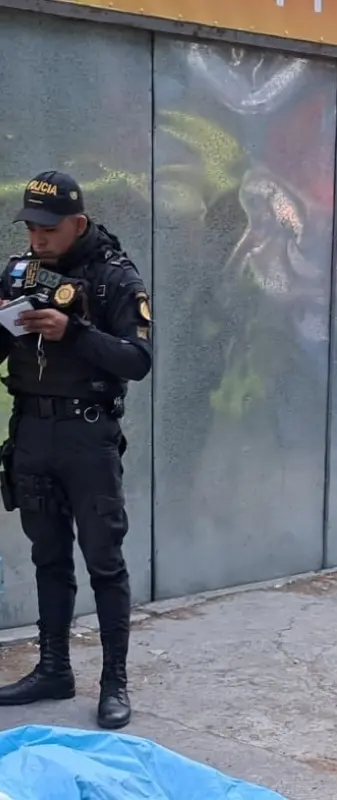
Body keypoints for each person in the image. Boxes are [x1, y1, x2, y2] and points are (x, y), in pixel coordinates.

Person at [0, 171, 153, 730]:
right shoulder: (22, 273)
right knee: (48, 556)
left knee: (103, 560)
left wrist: (74, 332)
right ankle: (52, 668)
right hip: (33, 433)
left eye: (47, 228)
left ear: (77, 223)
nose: (37, 239)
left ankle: (114, 683)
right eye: (30, 227)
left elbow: (138, 361)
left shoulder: (116, 279)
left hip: (88, 437)